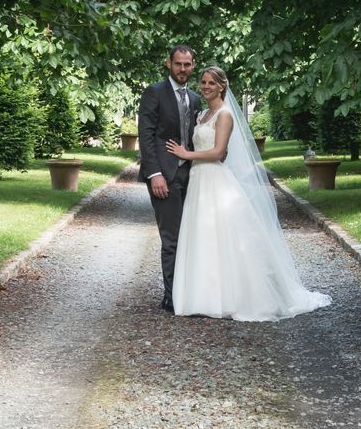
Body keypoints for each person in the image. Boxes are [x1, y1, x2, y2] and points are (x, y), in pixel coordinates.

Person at [166, 66, 332, 321]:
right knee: (203, 235)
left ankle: (233, 297)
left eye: (212, 83)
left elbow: (219, 152)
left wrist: (186, 154)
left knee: (224, 236)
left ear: (222, 86)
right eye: (203, 82)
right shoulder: (202, 115)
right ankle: (202, 297)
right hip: (199, 180)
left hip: (216, 180)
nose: (206, 86)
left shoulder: (225, 115)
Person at [138, 45, 202, 312]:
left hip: (194, 175)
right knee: (172, 238)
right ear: (169, 64)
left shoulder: (197, 98)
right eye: (178, 64)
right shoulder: (154, 93)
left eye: (187, 65)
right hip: (164, 176)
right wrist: (155, 174)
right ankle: (172, 296)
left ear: (193, 65)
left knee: (195, 236)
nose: (183, 69)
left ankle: (193, 292)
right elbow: (147, 135)